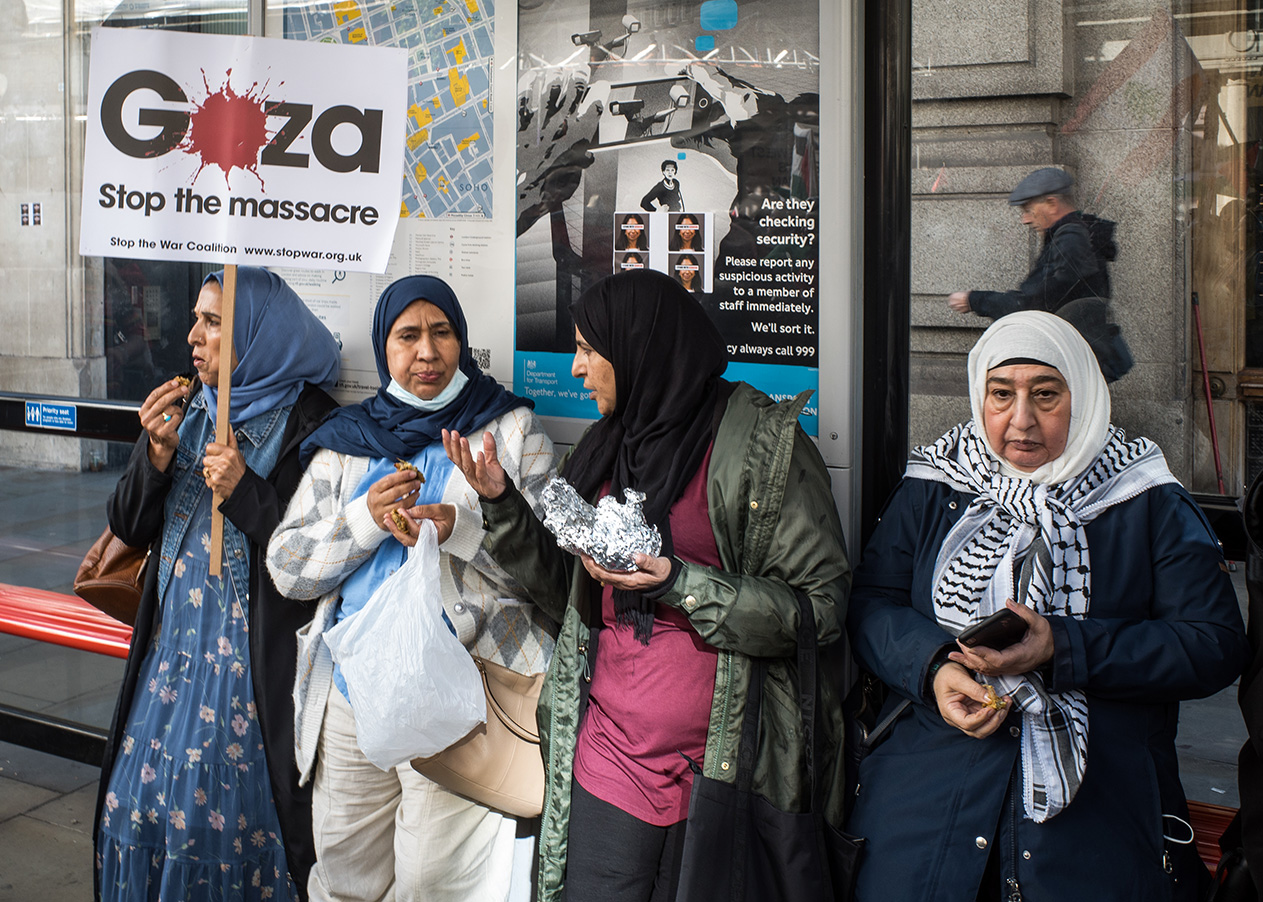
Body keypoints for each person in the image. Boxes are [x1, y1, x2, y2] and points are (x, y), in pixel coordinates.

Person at [443, 269, 850, 902]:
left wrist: (681, 584)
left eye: (586, 349)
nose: (576, 369)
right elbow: (572, 597)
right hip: (609, 759)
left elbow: (821, 609)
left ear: (638, 346)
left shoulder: (762, 448)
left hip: (720, 769)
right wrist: (501, 506)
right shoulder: (607, 448)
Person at [845, 310, 1247, 901]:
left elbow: (1214, 643)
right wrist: (935, 669)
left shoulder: (1144, 498)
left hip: (1098, 826)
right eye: (1001, 394)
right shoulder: (936, 484)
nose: (1021, 419)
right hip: (929, 808)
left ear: (1081, 396)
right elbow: (872, 604)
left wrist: (1065, 646)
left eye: (1046, 395)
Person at [266, 275, 557, 902]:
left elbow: (558, 576)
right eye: (408, 336)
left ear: (461, 339)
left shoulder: (508, 432)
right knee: (346, 878)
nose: (427, 352)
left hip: (461, 696)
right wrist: (363, 522)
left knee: (437, 885)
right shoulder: (350, 443)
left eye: (441, 332)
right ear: (384, 347)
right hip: (352, 695)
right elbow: (287, 566)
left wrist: (470, 529)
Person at [94, 267, 342, 901]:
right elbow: (127, 523)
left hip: (244, 669)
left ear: (259, 336)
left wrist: (246, 492)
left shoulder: (313, 429)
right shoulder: (191, 410)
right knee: (135, 808)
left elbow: (319, 555)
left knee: (217, 829)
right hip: (168, 658)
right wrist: (152, 455)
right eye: (197, 320)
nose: (193, 338)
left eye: (213, 323)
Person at [947, 167, 1117, 320]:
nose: (1025, 220)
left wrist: (974, 300)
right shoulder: (1078, 235)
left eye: (1028, 210)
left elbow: (1035, 304)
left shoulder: (1071, 240)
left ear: (1052, 204)